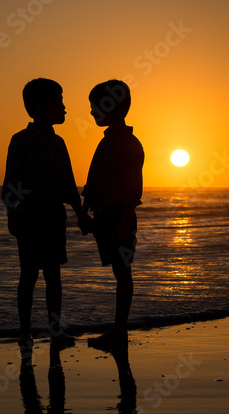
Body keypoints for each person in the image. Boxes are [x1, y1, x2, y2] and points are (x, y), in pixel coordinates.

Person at [2, 78, 92, 348]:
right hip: (30, 215)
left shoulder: (59, 143)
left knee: (53, 274)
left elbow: (67, 183)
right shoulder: (21, 141)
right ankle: (24, 332)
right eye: (58, 102)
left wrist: (79, 213)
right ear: (38, 108)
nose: (64, 107)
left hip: (55, 215)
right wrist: (11, 214)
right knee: (28, 274)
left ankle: (54, 331)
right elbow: (11, 182)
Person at [82, 79, 144, 347]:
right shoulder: (108, 141)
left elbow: (133, 189)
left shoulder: (128, 143)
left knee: (122, 272)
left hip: (119, 217)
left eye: (95, 106)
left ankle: (120, 331)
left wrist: (124, 220)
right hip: (105, 216)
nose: (92, 112)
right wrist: (85, 210)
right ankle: (119, 330)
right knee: (120, 271)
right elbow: (93, 179)